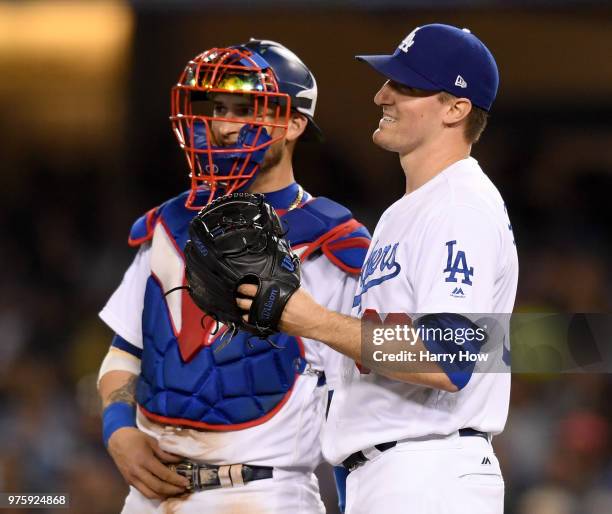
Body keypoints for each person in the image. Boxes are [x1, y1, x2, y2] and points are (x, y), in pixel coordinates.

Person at [238, 24, 519, 514]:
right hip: (393, 471)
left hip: (428, 471)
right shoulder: (406, 210)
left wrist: (311, 319)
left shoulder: (459, 207)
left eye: (405, 86)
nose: (381, 94)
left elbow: (446, 358)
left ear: (456, 108)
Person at [97, 39, 370, 513]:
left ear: (293, 123)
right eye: (215, 107)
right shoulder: (166, 224)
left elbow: (380, 376)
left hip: (265, 492)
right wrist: (118, 430)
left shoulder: (333, 238)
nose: (222, 126)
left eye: (244, 108)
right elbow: (124, 352)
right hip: (148, 495)